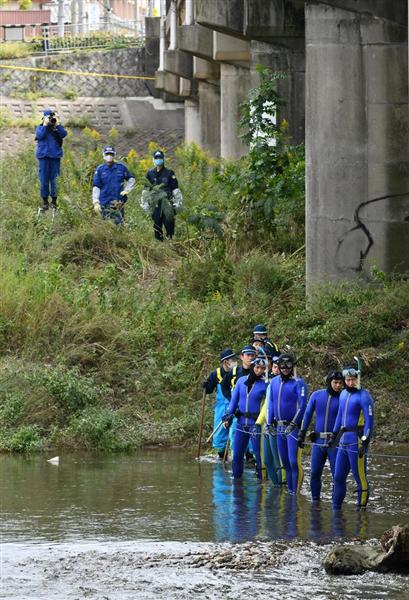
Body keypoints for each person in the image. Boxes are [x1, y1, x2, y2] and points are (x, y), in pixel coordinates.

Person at [331, 366, 374, 511]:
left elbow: (369, 421)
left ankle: (361, 510)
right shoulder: (343, 394)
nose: (351, 382)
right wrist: (333, 434)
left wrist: (365, 440)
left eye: (353, 380)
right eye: (348, 380)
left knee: (359, 476)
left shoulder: (364, 396)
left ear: (357, 379)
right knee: (338, 477)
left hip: (356, 442)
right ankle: (336, 508)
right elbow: (339, 416)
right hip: (343, 441)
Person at [298, 370, 344, 502]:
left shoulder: (343, 398)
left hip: (334, 442)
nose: (338, 385)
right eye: (335, 382)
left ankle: (336, 506)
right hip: (318, 441)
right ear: (329, 382)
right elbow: (307, 415)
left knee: (337, 476)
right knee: (314, 473)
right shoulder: (317, 395)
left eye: (340, 383)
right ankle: (315, 503)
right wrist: (302, 433)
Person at [266, 352, 308, 494]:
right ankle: (290, 492)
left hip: (292, 428)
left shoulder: (298, 383)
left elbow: (302, 406)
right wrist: (269, 423)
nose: (285, 368)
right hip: (279, 427)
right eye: (281, 365)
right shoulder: (274, 382)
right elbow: (271, 404)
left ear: (293, 366)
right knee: (284, 462)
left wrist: (294, 424)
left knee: (293, 461)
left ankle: (295, 493)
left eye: (288, 365)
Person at [222, 357, 267, 480]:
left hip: (255, 425)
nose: (259, 370)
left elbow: (268, 405)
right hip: (241, 424)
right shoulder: (241, 381)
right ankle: (237, 484)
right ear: (252, 367)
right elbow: (233, 401)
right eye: (257, 367)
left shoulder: (265, 385)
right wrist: (228, 415)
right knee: (237, 456)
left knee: (258, 455)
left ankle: (261, 485)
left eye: (262, 369)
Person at [221, 345, 257, 464]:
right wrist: (232, 401)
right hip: (236, 409)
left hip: (252, 411)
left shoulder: (258, 371)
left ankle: (251, 456)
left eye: (252, 355)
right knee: (234, 433)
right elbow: (224, 386)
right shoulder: (235, 372)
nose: (250, 358)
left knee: (254, 435)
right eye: (248, 355)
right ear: (242, 357)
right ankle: (237, 456)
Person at [141, 149, 183, 241]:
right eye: (156, 158)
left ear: (163, 159)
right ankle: (159, 245)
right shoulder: (150, 173)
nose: (158, 160)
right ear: (153, 159)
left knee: (169, 223)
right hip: (155, 204)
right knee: (157, 226)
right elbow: (146, 190)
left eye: (160, 158)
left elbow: (175, 189)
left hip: (167, 203)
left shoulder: (169, 173)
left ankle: (171, 241)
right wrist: (144, 203)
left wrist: (178, 202)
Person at [202, 348, 237, 459]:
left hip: (236, 405)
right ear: (225, 361)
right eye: (232, 359)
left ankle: (246, 456)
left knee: (237, 431)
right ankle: (222, 456)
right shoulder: (216, 374)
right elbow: (209, 389)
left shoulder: (238, 372)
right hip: (221, 407)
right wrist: (205, 386)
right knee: (220, 433)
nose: (235, 361)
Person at [92, 146, 135, 225]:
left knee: (119, 226)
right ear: (104, 155)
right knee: (106, 226)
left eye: (111, 154)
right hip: (104, 203)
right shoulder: (100, 169)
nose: (109, 156)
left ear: (114, 155)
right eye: (107, 154)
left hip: (118, 203)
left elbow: (131, 179)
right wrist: (95, 202)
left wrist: (127, 190)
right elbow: (96, 186)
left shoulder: (121, 168)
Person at [35, 108, 67, 212]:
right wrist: (45, 124)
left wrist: (57, 124)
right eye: (48, 117)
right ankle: (45, 201)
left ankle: (54, 201)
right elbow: (40, 135)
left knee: (55, 180)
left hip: (54, 157)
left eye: (51, 117)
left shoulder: (56, 128)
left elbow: (64, 134)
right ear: (43, 118)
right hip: (43, 157)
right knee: (44, 179)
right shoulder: (40, 128)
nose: (50, 120)